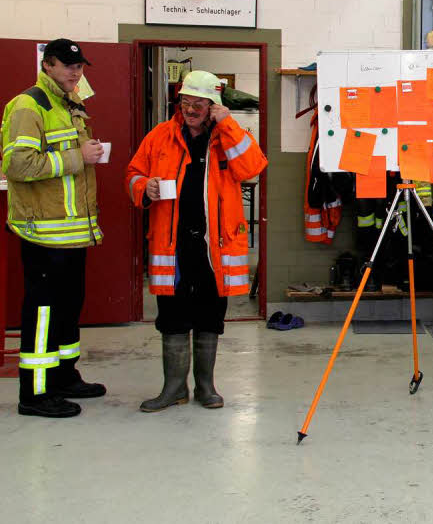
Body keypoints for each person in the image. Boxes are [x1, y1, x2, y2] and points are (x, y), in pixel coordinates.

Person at [125, 71, 267, 412]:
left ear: (212, 106)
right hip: (172, 246)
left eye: (199, 103)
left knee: (209, 316)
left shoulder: (229, 137)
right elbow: (133, 173)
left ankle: (206, 387)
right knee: (172, 317)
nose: (190, 109)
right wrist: (145, 187)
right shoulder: (160, 136)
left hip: (213, 248)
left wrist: (229, 125)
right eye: (186, 102)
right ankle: (173, 388)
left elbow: (253, 169)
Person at [2, 38, 107, 418]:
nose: (75, 72)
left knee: (67, 306)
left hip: (72, 232)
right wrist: (78, 156)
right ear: (48, 65)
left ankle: (64, 377)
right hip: (44, 232)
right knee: (44, 312)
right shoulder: (29, 105)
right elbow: (18, 166)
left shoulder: (70, 104)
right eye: (68, 66)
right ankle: (35, 393)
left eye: (79, 67)